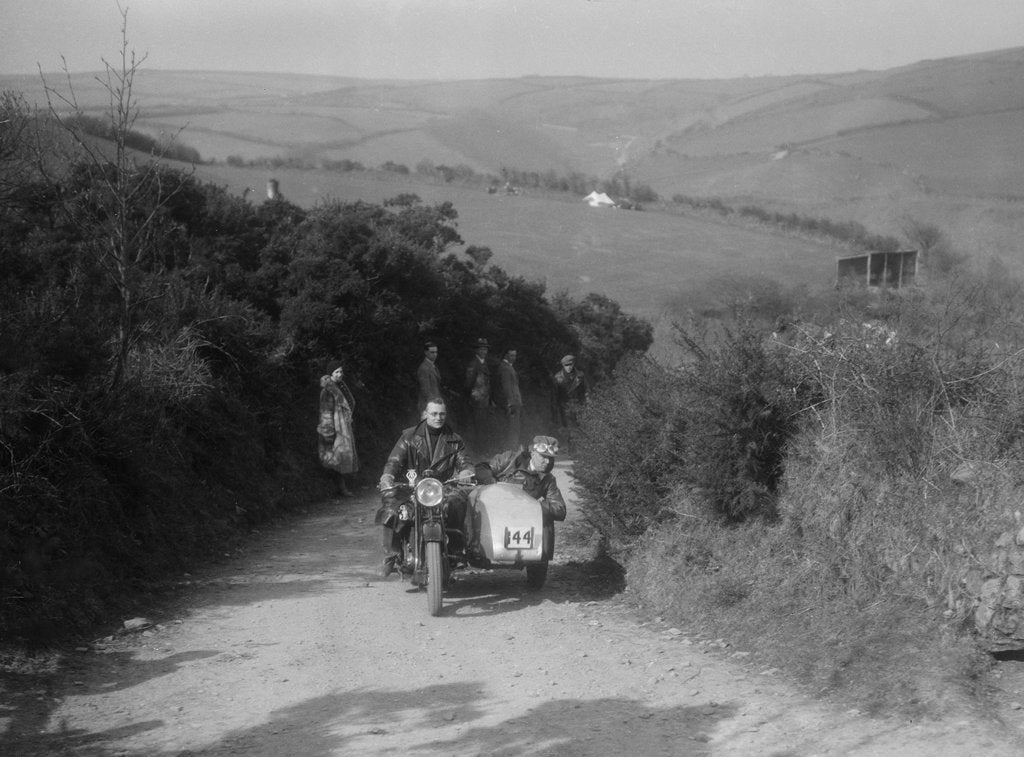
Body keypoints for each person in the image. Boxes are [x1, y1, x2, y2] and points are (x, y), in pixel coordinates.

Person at [375, 397, 474, 577]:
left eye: (442, 414)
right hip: (412, 487)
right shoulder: (409, 437)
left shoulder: (454, 440)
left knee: (458, 500)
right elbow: (395, 460)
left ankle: (456, 551)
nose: (438, 417)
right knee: (392, 504)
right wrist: (387, 475)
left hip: (442, 488)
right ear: (426, 414)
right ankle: (391, 555)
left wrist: (466, 472)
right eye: (434, 413)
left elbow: (464, 461)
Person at [471, 435, 567, 554]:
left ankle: (538, 562)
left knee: (546, 520)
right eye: (543, 457)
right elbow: (481, 468)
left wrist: (535, 506)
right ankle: (467, 548)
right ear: (533, 453)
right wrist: (489, 479)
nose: (547, 462)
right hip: (495, 511)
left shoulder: (548, 479)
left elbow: (560, 509)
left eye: (551, 458)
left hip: (523, 520)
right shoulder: (511, 459)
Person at [317, 360, 358, 497]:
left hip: (344, 426)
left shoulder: (340, 386)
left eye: (341, 371)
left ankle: (343, 488)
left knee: (341, 458)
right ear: (331, 374)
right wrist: (328, 432)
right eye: (336, 372)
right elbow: (326, 412)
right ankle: (339, 489)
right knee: (335, 458)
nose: (339, 374)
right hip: (335, 428)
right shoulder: (328, 391)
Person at [552, 354, 587, 451]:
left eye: (570, 364)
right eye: (566, 365)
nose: (568, 367)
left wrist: (587, 403)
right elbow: (555, 395)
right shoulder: (557, 377)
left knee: (579, 427)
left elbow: (586, 390)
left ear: (573, 364)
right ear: (563, 366)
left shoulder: (580, 376)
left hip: (578, 404)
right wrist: (555, 408)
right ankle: (573, 450)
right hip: (565, 406)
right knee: (569, 427)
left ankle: (579, 450)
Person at [464, 337, 492, 452]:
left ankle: (482, 451)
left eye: (485, 349)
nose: (483, 352)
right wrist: (472, 397)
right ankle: (478, 452)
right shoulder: (473, 364)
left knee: (483, 427)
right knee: (477, 428)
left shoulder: (484, 363)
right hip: (476, 401)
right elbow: (468, 384)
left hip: (484, 401)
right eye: (481, 349)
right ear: (476, 350)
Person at [496, 347, 523, 449]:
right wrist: (511, 403)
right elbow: (506, 387)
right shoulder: (505, 368)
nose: (514, 358)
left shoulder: (509, 367)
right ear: (506, 355)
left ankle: (512, 448)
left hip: (515, 402)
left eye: (515, 355)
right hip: (512, 403)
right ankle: (511, 449)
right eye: (511, 355)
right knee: (512, 428)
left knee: (514, 427)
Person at [416, 341, 443, 413]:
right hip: (428, 404)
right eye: (432, 352)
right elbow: (426, 390)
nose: (435, 355)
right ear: (426, 352)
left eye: (436, 352)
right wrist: (434, 404)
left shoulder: (433, 366)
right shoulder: (424, 368)